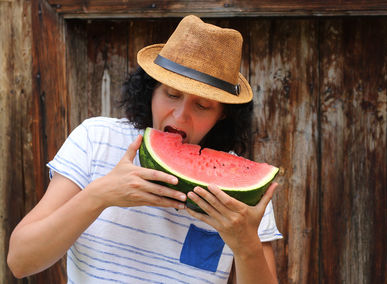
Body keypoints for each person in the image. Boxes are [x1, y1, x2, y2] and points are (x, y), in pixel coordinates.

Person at [7, 15, 282, 284]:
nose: (180, 115)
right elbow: (20, 261)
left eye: (202, 106)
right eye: (172, 94)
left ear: (223, 115)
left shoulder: (242, 192)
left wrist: (246, 246)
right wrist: (100, 195)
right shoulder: (96, 139)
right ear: (150, 91)